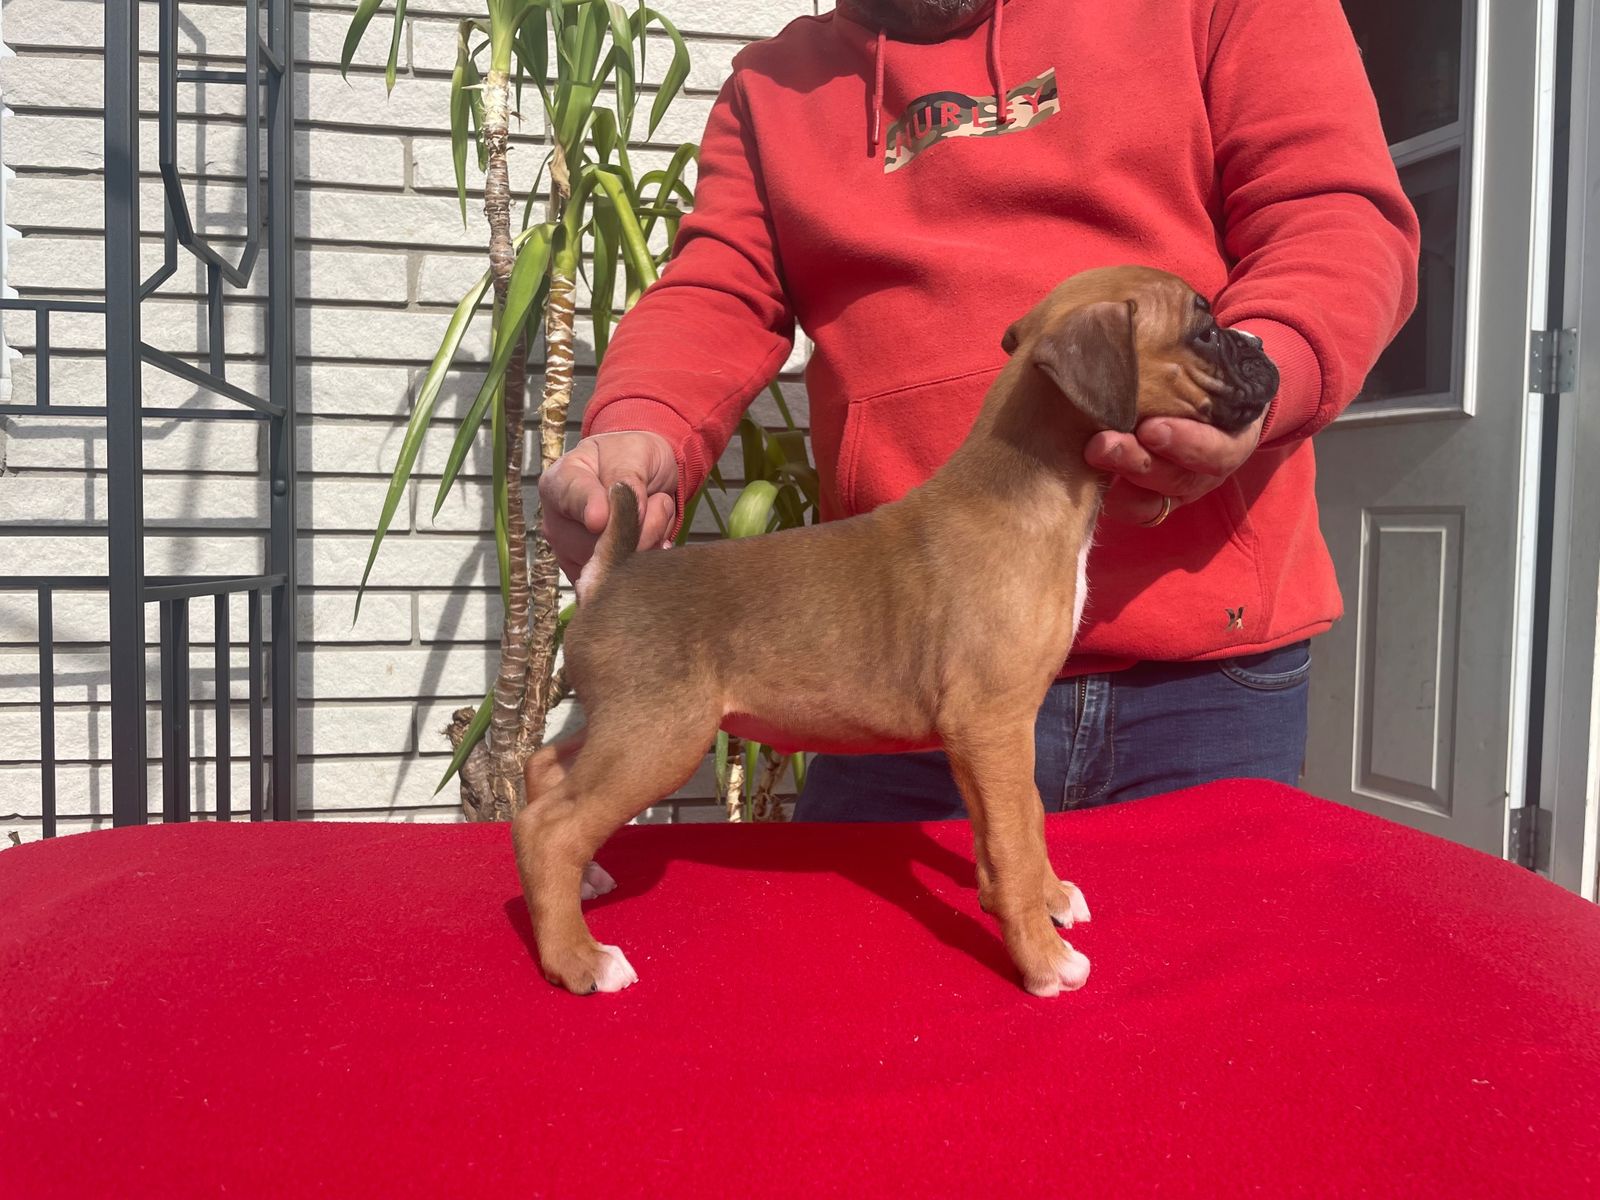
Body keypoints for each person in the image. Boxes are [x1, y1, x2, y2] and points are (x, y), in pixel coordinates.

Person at [539, 0, 1420, 821]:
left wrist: (1256, 374)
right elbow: (719, 289)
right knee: (867, 948)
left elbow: (1333, 213)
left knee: (1209, 942)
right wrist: (641, 422)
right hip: (897, 657)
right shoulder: (773, 87)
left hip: (1199, 679)